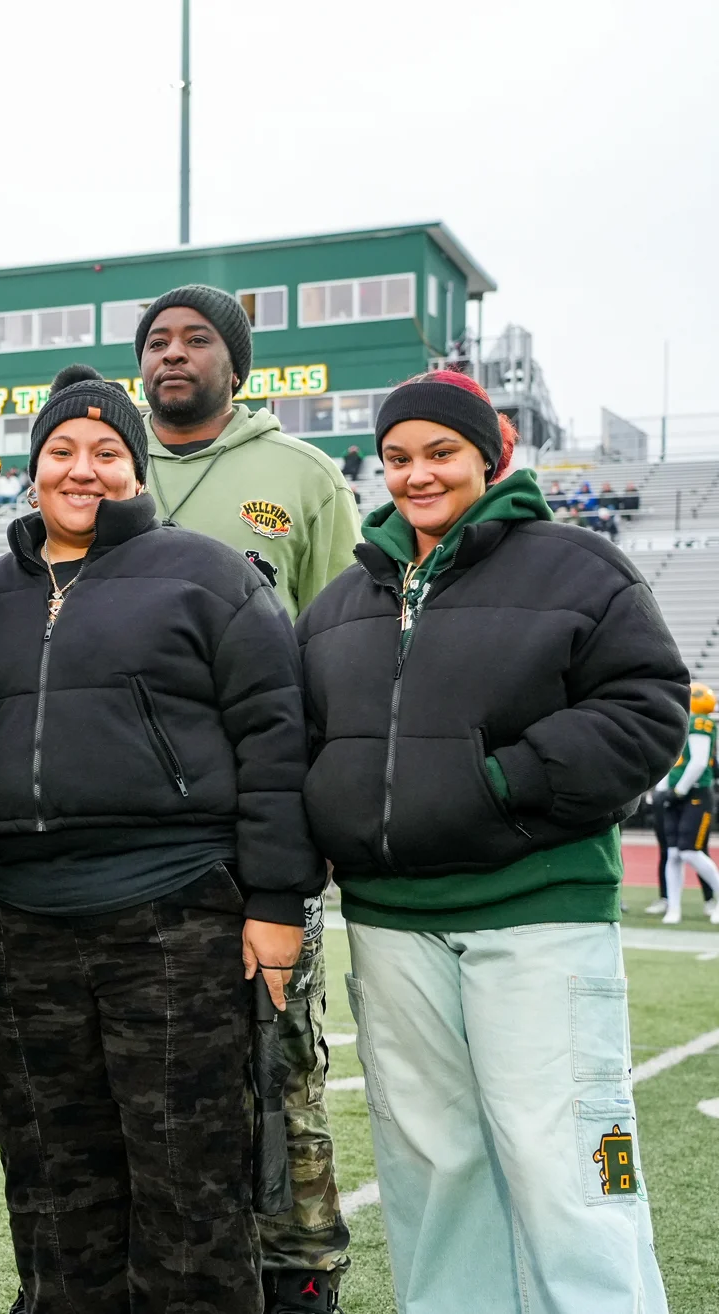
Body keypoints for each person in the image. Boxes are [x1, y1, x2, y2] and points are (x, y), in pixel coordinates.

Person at [297, 370, 683, 1314]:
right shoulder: (344, 599)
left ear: (488, 456)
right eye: (397, 458)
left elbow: (647, 710)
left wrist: (499, 785)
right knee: (433, 1168)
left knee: (570, 1171)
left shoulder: (580, 568)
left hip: (537, 913)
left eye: (440, 454)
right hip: (391, 924)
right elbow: (299, 741)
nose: (417, 476)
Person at [0, 365, 322, 1312]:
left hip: (174, 920)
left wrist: (278, 903)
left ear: (137, 466)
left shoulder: (208, 573)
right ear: (32, 470)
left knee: (189, 1185)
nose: (83, 471)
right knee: (51, 1184)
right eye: (61, 453)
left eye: (107, 452)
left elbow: (276, 742)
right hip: (26, 930)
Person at [133, 285, 356, 1310]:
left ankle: (302, 1277)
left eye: (196, 340)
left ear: (238, 363)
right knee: (152, 1079)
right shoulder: (103, 464)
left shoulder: (301, 478)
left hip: (258, 827)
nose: (173, 356)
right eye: (157, 342)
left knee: (281, 1068)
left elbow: (339, 652)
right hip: (134, 838)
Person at [657, 683, 719, 924]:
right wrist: (662, 791)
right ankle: (674, 908)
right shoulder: (680, 722)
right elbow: (670, 761)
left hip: (694, 794)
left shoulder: (700, 722)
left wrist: (677, 790)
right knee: (672, 854)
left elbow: (699, 763)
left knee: (690, 851)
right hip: (676, 793)